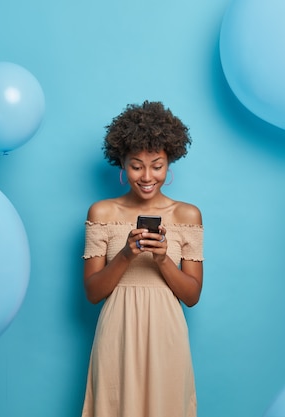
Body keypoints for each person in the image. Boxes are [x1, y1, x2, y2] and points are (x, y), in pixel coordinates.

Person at [81, 101, 204, 417]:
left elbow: (191, 296)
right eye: (136, 165)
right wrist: (125, 254)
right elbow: (93, 293)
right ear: (121, 163)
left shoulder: (187, 215)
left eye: (157, 165)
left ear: (169, 163)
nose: (147, 176)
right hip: (117, 333)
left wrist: (162, 259)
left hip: (166, 332)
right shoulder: (103, 213)